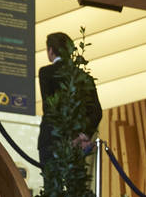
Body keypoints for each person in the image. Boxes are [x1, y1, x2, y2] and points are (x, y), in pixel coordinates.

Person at [36, 30, 99, 175]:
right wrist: (82, 135)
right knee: (75, 189)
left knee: (52, 188)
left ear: (50, 50)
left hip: (51, 139)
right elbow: (96, 111)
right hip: (77, 142)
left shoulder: (46, 72)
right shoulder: (84, 77)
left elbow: (49, 106)